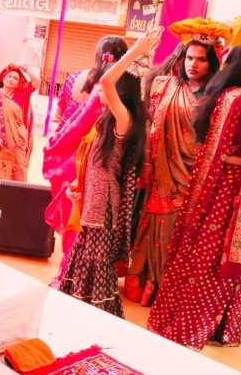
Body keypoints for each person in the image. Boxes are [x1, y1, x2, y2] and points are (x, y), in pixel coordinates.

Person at [148, 23, 241, 350]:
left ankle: (198, 324)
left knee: (206, 255)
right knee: (215, 260)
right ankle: (191, 327)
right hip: (228, 193)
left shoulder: (228, 94)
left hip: (218, 189)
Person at [58, 31, 152, 318]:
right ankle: (79, 310)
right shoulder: (109, 120)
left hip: (103, 209)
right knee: (83, 257)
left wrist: (136, 50)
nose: (101, 90)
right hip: (92, 203)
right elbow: (93, 160)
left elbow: (107, 80)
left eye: (109, 88)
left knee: (97, 263)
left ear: (120, 91)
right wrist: (79, 188)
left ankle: (97, 317)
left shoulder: (125, 119)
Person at [125, 35, 221, 306]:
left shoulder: (219, 96)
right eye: (189, 58)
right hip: (162, 170)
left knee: (183, 233)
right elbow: (149, 125)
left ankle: (170, 290)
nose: (193, 64)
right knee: (154, 226)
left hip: (196, 174)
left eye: (201, 59)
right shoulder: (164, 86)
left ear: (212, 63)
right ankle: (146, 281)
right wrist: (146, 163)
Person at [42, 37, 128, 287]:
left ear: (96, 55)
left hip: (69, 158)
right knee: (86, 221)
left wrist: (57, 146)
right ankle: (76, 276)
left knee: (73, 218)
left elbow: (61, 117)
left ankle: (68, 273)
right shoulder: (119, 85)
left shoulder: (75, 79)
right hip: (96, 160)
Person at [0, 63, 41, 182]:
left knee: (18, 178)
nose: (11, 79)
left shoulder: (22, 94)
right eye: (9, 76)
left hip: (17, 145)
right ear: (3, 78)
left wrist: (24, 67)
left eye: (15, 78)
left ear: (18, 83)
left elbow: (36, 81)